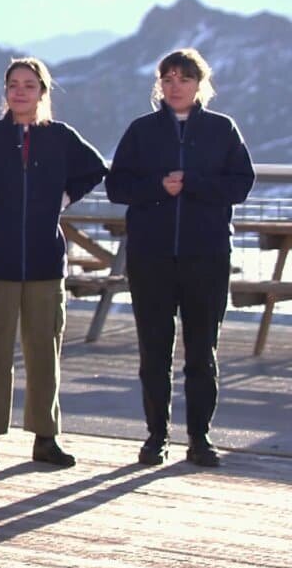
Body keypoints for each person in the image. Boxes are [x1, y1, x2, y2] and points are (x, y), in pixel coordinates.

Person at [0, 57, 107, 470]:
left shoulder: (60, 137)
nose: (20, 91)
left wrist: (64, 198)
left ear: (42, 92)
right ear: (5, 92)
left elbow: (95, 169)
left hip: (45, 263)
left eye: (29, 85)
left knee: (44, 353)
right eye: (14, 84)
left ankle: (46, 438)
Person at [106, 48, 254, 468]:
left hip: (206, 256)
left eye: (184, 79)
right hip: (150, 257)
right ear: (159, 85)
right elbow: (117, 187)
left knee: (202, 352)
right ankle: (156, 436)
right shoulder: (141, 131)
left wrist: (194, 183)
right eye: (168, 79)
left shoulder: (222, 129)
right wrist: (158, 187)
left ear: (200, 85)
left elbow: (241, 185)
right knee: (154, 351)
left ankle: (200, 438)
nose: (175, 87)